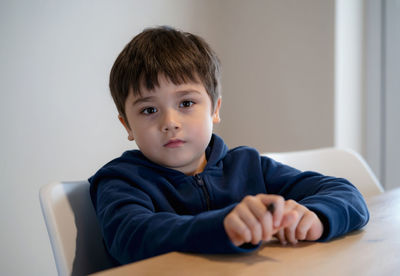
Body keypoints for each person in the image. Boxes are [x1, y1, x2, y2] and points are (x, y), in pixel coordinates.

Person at [89, 26, 369, 265]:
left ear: (215, 110)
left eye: (186, 103)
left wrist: (317, 216)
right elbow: (131, 237)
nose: (170, 122)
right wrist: (222, 226)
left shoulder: (248, 166)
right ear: (127, 125)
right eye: (149, 110)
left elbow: (345, 193)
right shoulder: (120, 181)